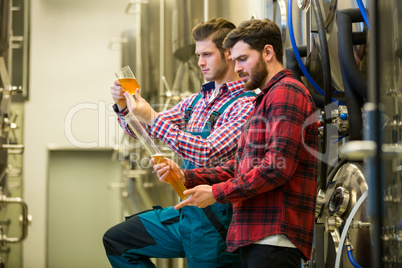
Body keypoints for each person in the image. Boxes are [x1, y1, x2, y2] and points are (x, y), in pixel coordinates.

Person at [152, 19, 318, 268]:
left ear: (268, 52)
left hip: (274, 237)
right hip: (257, 236)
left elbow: (275, 168)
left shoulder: (286, 92)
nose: (237, 67)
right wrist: (187, 176)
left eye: (242, 59)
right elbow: (241, 166)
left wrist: (217, 193)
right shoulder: (265, 98)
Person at [103, 18, 256, 267]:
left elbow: (208, 151)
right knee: (119, 241)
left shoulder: (246, 103)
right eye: (198, 54)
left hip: (219, 223)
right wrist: (124, 107)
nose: (200, 62)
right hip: (187, 215)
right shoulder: (197, 101)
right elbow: (144, 131)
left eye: (207, 54)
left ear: (230, 54)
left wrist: (151, 115)